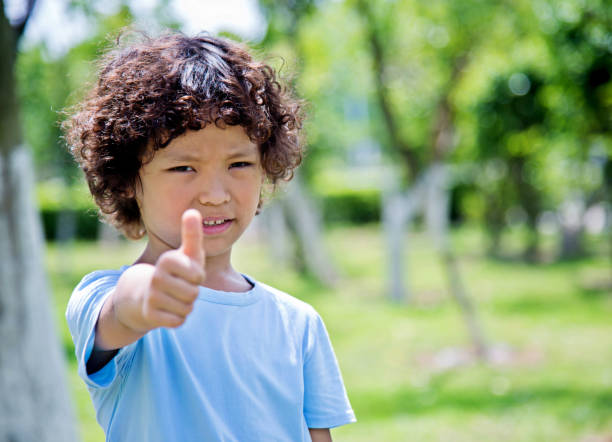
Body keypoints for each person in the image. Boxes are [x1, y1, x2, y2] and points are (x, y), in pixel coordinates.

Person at [63, 31, 355, 442]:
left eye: (238, 164)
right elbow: (125, 309)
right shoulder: (103, 299)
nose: (215, 195)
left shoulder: (298, 322)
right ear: (128, 179)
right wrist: (150, 295)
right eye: (184, 168)